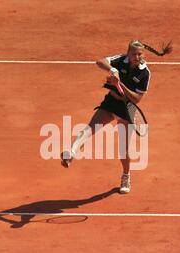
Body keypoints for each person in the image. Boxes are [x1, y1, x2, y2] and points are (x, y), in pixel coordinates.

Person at [61, 40, 172, 194]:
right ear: (128, 53)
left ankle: (126, 175)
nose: (136, 56)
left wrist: (121, 85)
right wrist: (113, 69)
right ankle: (71, 153)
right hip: (111, 103)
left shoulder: (144, 73)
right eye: (133, 53)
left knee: (123, 150)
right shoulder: (120, 60)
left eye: (139, 54)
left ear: (143, 54)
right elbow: (100, 62)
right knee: (90, 128)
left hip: (127, 109)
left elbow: (136, 99)